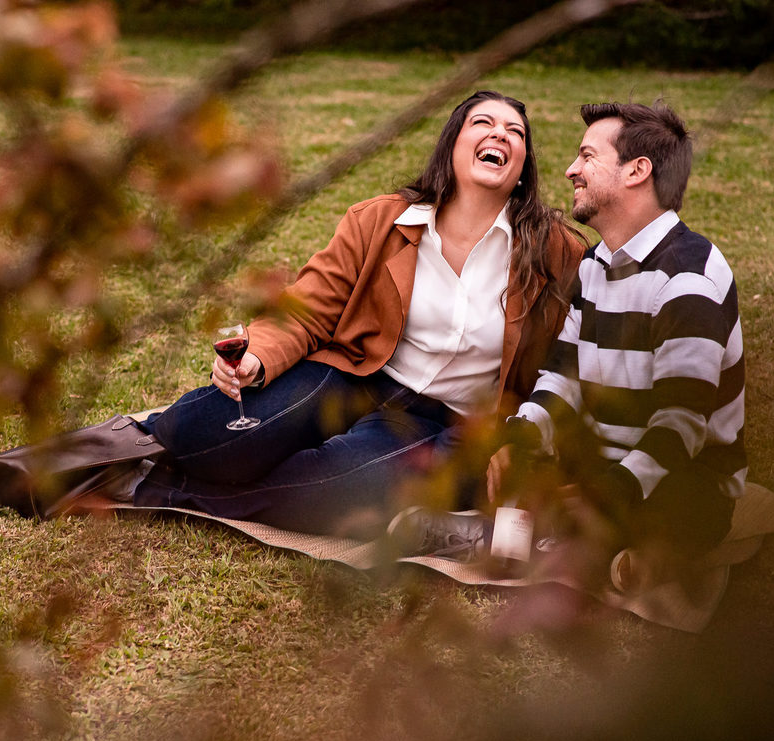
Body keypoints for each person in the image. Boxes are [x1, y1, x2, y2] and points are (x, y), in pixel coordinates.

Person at [125, 90, 584, 539]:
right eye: (482, 123)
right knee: (198, 432)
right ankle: (132, 444)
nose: (500, 135)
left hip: (442, 420)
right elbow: (309, 306)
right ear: (452, 147)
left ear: (523, 168)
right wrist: (258, 357)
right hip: (354, 376)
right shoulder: (381, 221)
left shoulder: (556, 253)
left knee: (329, 491)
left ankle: (163, 488)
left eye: (515, 132)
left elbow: (570, 362)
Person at [485, 100, 746, 592]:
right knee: (513, 467)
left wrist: (605, 495)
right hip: (597, 464)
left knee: (677, 508)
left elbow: (682, 426)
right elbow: (563, 377)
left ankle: (617, 552)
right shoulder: (595, 263)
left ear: (637, 171)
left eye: (586, 157)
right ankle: (588, 547)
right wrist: (518, 440)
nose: (570, 170)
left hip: (679, 477)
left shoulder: (687, 278)